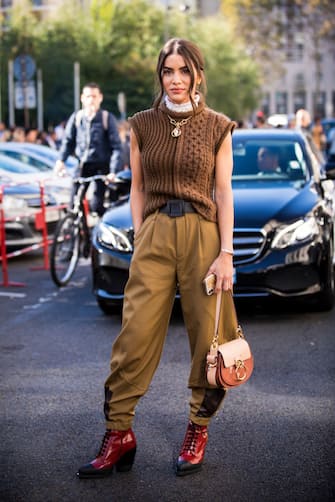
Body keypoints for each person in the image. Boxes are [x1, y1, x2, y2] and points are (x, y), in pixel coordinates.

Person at [77, 38, 236, 479]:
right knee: (134, 335)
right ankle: (118, 433)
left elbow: (223, 193)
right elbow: (138, 188)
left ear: (198, 74)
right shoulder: (142, 124)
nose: (177, 79)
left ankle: (197, 428)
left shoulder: (219, 126)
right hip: (154, 235)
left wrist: (226, 254)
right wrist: (141, 233)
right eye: (168, 71)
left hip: (203, 238)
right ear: (160, 75)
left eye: (185, 70)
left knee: (210, 340)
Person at [55, 82, 122, 216]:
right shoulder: (77, 118)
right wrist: (60, 161)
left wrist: (113, 171)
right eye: (88, 96)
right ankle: (76, 232)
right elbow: (68, 141)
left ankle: (99, 230)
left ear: (100, 98)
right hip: (83, 165)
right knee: (74, 204)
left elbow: (117, 147)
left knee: (96, 205)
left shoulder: (106, 118)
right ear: (82, 98)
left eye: (94, 96)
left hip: (101, 167)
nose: (91, 100)